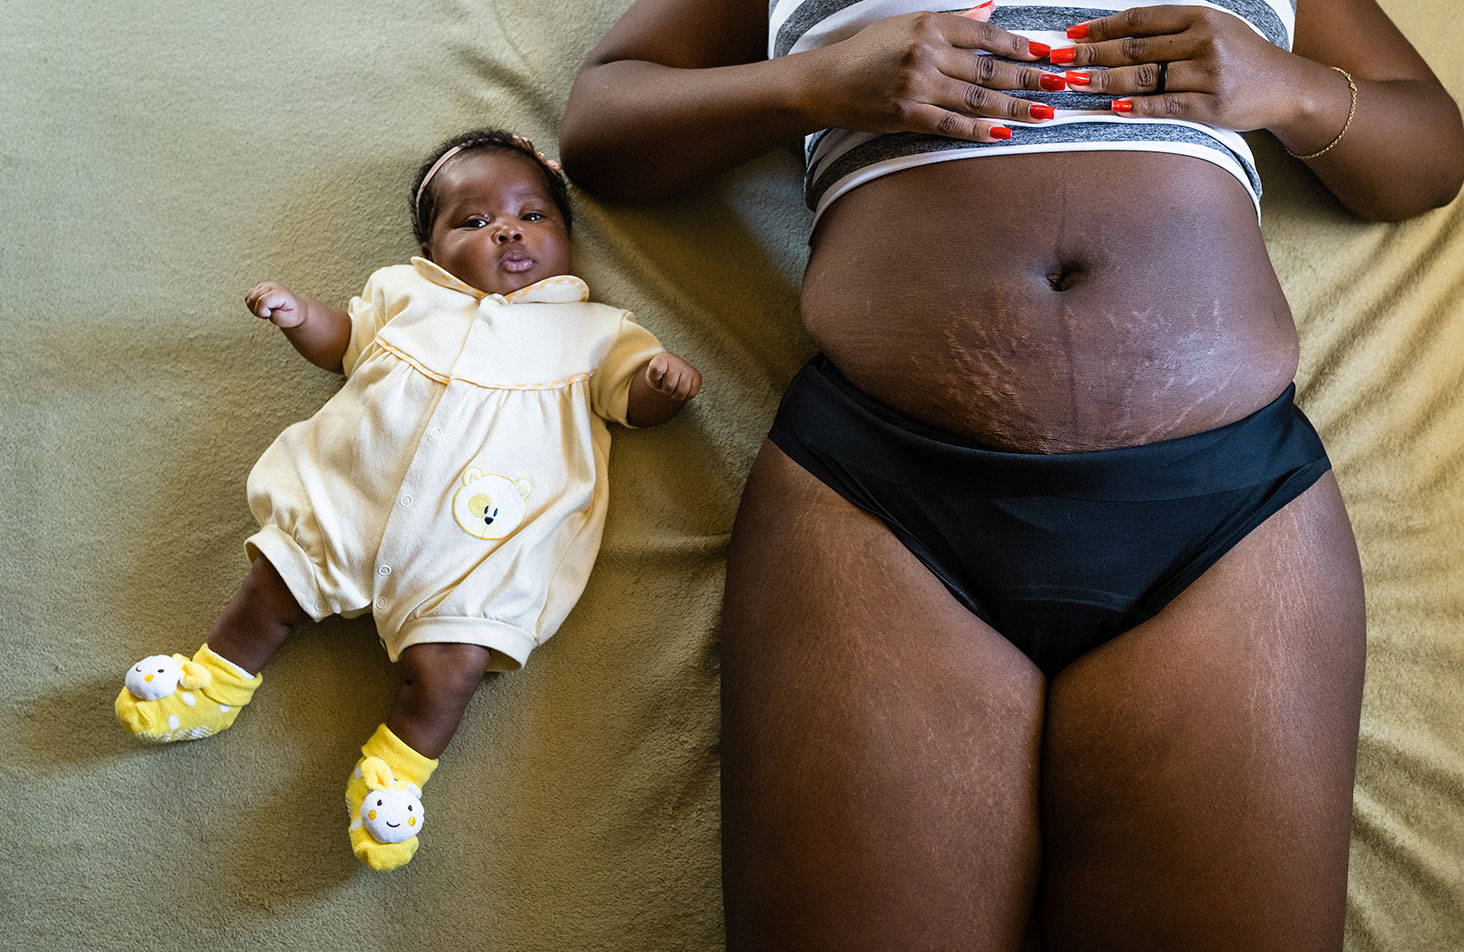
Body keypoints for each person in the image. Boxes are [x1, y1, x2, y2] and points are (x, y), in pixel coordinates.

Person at [558, 0, 1463, 947]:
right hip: (879, 501)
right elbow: (604, 124)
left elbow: (1429, 155)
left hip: (1227, 515)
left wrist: (1292, 88)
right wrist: (817, 84)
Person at [113, 128, 703, 872]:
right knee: (272, 586)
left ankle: (395, 771)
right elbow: (346, 343)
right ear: (430, 248)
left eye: (533, 215)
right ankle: (213, 680)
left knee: (452, 665)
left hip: (474, 554)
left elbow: (630, 400)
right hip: (346, 500)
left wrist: (657, 388)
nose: (508, 230)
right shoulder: (407, 292)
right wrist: (303, 318)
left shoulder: (596, 330)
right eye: (475, 220)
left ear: (565, 237)